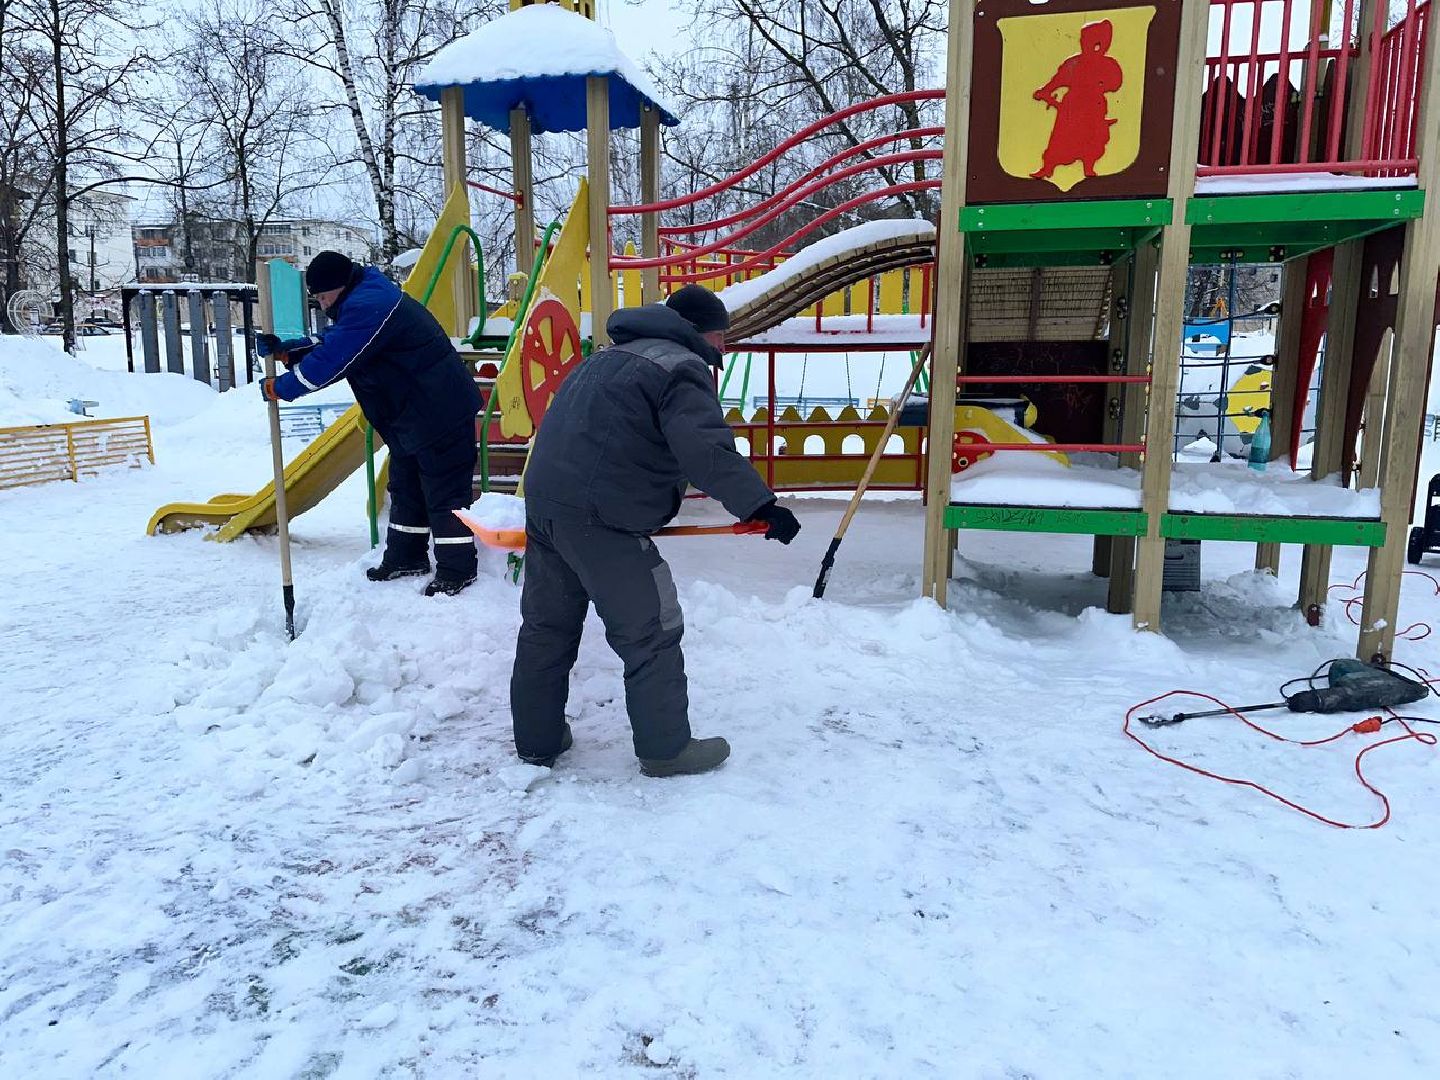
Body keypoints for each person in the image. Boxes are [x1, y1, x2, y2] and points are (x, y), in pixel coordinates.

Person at [510, 285, 801, 778]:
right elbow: (704, 448)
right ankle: (667, 750)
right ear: (702, 331)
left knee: (546, 629)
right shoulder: (680, 367)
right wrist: (761, 505)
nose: (724, 347)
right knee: (651, 632)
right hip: (603, 519)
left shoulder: (603, 359)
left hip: (545, 508)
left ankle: (537, 741)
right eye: (722, 335)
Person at [257, 250, 483, 596]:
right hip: (412, 416)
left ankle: (457, 570)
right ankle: (407, 557)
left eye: (321, 296)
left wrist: (281, 388)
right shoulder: (362, 299)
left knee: (444, 494)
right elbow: (334, 341)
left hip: (440, 412)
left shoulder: (370, 305)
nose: (320, 304)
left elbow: (333, 360)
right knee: (406, 489)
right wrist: (291, 351)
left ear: (339, 286)